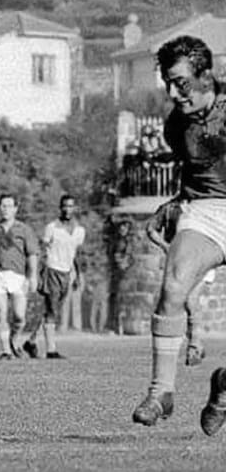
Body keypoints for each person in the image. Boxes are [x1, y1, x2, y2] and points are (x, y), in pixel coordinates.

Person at [126, 36, 226, 436]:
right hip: (206, 212)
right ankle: (161, 393)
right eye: (167, 82)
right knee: (172, 288)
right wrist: (173, 204)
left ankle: (222, 388)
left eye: (180, 82)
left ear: (206, 75)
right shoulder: (174, 124)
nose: (172, 92)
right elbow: (195, 173)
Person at [145, 198, 213, 366]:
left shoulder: (204, 206)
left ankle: (194, 345)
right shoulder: (169, 208)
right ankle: (192, 341)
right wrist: (165, 246)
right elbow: (151, 229)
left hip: (202, 260)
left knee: (191, 300)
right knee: (176, 302)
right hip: (179, 263)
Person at [0, 194, 39, 360]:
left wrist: (33, 277)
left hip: (17, 276)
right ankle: (6, 351)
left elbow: (32, 254)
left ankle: (15, 339)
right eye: (3, 206)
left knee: (19, 316)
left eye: (9, 206)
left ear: (16, 209)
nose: (5, 209)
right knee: (1, 312)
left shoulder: (24, 230)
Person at [22, 194, 85, 359]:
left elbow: (75, 254)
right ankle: (51, 349)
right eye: (64, 206)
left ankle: (31, 341)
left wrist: (78, 274)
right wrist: (36, 272)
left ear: (75, 208)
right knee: (51, 309)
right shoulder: (52, 227)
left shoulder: (79, 230)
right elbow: (42, 249)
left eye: (71, 206)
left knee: (53, 310)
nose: (67, 209)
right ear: (60, 207)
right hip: (52, 270)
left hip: (67, 273)